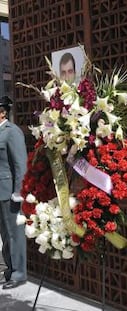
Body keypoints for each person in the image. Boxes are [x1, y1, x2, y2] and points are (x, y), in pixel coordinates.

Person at [0, 96, 28, 289]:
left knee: (14, 234)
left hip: (9, 191)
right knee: (4, 234)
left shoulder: (12, 132)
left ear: (2, 112)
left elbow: (20, 164)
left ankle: (19, 274)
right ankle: (9, 269)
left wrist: (18, 191)